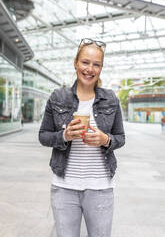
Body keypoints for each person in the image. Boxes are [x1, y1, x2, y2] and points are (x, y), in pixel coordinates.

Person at [39, 38, 125, 237]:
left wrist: (106, 140)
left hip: (101, 188)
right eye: (85, 62)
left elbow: (120, 137)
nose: (90, 69)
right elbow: (43, 136)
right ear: (76, 63)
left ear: (101, 68)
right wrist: (65, 135)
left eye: (96, 64)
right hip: (64, 188)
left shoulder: (110, 98)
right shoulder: (58, 97)